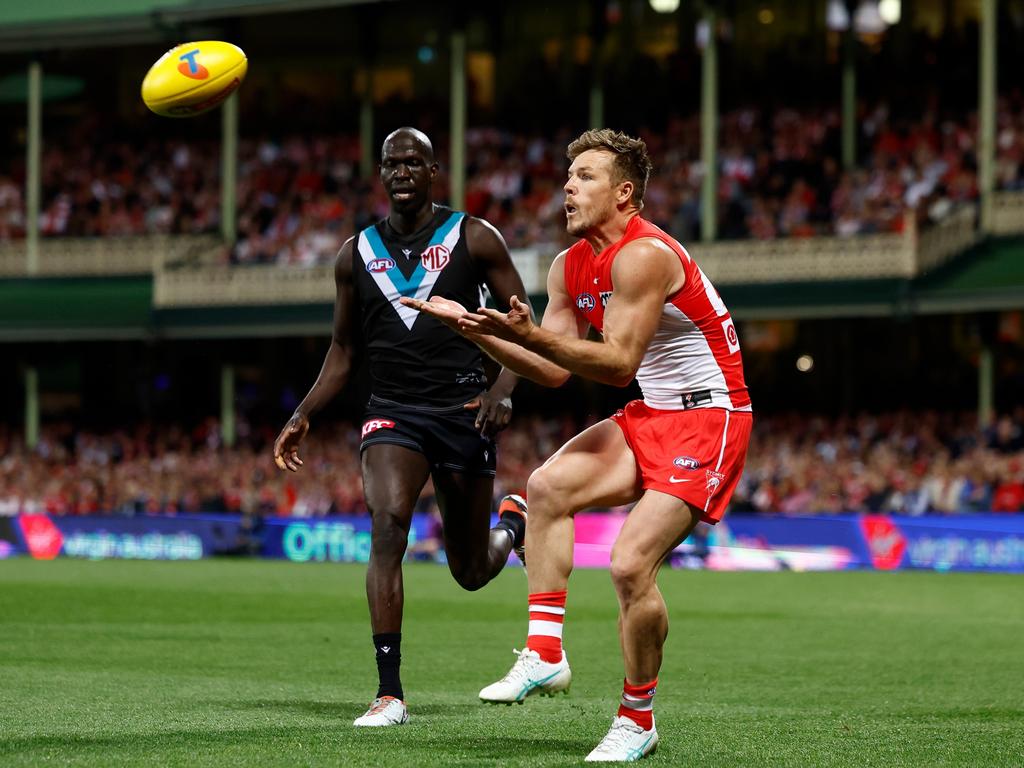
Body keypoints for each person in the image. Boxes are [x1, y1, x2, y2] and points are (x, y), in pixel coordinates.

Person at [404, 128, 752, 761]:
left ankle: (638, 717)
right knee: (546, 487)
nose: (568, 185)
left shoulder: (646, 256)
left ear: (625, 194)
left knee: (627, 564)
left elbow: (616, 363)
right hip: (652, 413)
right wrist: (473, 331)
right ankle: (544, 653)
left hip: (711, 419)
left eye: (586, 176)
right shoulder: (570, 265)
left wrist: (530, 336)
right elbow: (554, 370)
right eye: (569, 175)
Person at [273, 127, 530, 728]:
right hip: (392, 412)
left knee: (470, 572)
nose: (402, 172)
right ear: (381, 173)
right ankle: (389, 693)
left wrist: (502, 391)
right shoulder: (354, 255)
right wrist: (302, 414)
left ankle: (514, 523)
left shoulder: (474, 238)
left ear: (433, 171)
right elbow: (342, 350)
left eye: (413, 162)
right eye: (392, 163)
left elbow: (523, 324)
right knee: (387, 526)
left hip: (464, 413)